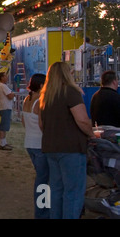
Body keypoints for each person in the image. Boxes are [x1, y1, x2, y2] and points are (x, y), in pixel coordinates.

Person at [39, 62, 95, 219]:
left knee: (56, 190)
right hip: (71, 149)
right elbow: (82, 120)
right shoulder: (70, 91)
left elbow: (41, 125)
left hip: (51, 148)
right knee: (73, 192)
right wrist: (91, 135)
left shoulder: (46, 96)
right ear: (67, 73)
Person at [22, 73, 49, 219]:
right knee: (43, 181)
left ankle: (43, 211)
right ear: (41, 85)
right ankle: (42, 213)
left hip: (29, 143)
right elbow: (42, 124)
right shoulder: (39, 101)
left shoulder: (27, 99)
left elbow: (23, 120)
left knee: (41, 178)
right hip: (39, 144)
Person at [0, 72, 15, 150]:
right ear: (1, 77)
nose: (7, 77)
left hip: (4, 107)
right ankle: (2, 143)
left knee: (4, 126)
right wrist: (13, 93)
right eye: (5, 76)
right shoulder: (3, 86)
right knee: (4, 126)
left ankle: (4, 142)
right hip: (5, 108)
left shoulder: (1, 86)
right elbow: (10, 96)